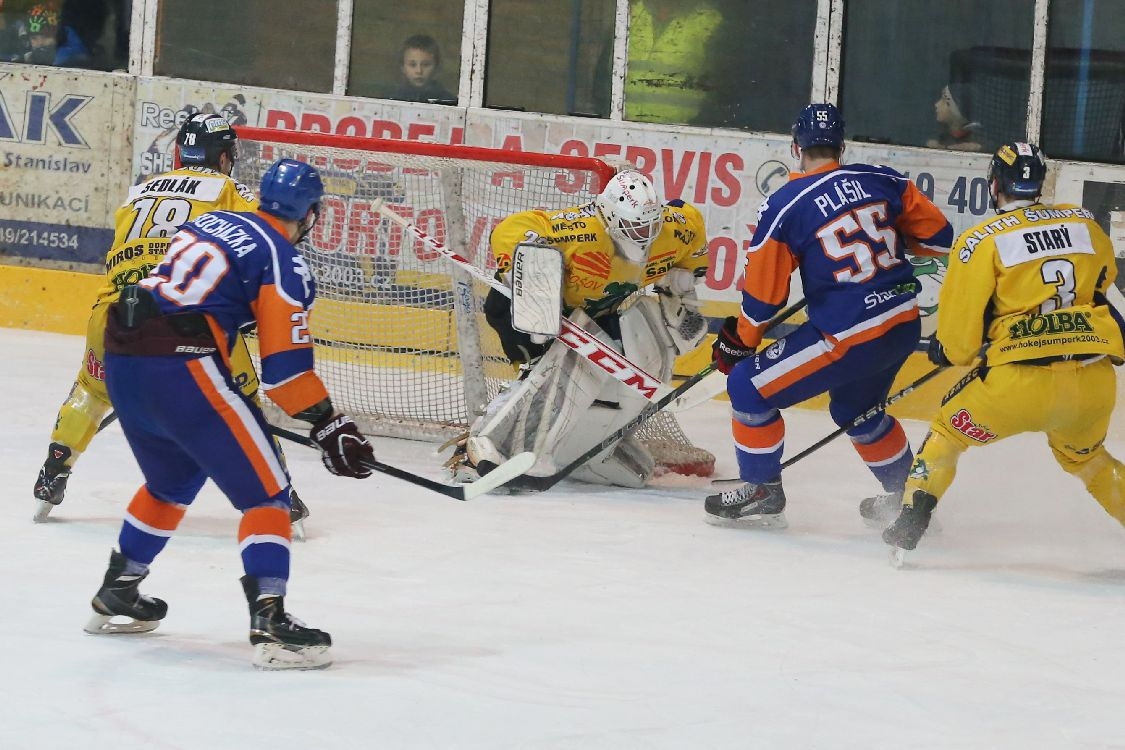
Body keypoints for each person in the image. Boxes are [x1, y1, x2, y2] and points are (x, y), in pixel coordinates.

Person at [85, 159, 376, 671]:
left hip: (123, 358)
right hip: (182, 365)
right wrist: (330, 424)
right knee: (268, 493)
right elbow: (284, 372)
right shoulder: (281, 258)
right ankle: (270, 617)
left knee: (171, 481)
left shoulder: (207, 223)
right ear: (310, 214)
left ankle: (119, 588)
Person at [33, 113, 312, 539]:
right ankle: (282, 493)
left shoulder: (139, 192)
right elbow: (260, 244)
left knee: (91, 391)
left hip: (114, 312)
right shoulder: (229, 189)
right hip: (189, 319)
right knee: (242, 399)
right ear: (223, 157)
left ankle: (54, 468)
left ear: (180, 152)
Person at [704, 103, 954, 528]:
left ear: (795, 147)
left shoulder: (785, 204)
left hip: (850, 335)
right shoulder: (884, 179)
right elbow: (939, 238)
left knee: (746, 387)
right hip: (902, 323)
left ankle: (762, 490)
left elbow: (765, 298)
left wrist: (741, 339)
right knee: (858, 411)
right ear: (842, 145)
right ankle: (908, 502)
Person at [881, 142, 1125, 555]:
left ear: (994, 184)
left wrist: (946, 348)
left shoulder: (981, 241)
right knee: (1088, 459)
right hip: (1092, 385)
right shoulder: (1085, 223)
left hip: (1015, 386)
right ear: (1041, 183)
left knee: (946, 433)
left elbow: (960, 342)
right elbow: (1103, 282)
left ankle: (910, 521)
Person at [449, 170, 710, 488]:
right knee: (541, 376)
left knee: (570, 372)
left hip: (593, 310)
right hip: (524, 310)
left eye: (650, 224)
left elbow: (691, 226)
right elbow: (510, 229)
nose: (644, 233)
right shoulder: (582, 230)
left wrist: (683, 288)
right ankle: (479, 450)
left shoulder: (675, 230)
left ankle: (586, 442)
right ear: (611, 216)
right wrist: (536, 268)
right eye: (634, 225)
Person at [623, 0, 722, 125]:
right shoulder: (628, 13)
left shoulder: (709, 21)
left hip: (682, 135)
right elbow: (605, 77)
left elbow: (720, 87)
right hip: (623, 131)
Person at [386, 34, 456, 104]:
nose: (419, 71)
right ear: (403, 67)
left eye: (426, 65)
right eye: (412, 65)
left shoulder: (447, 101)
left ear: (436, 67)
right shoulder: (393, 99)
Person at [926, 83, 983, 152]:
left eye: (944, 101)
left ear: (955, 111)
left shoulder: (977, 142)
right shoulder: (940, 137)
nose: (937, 104)